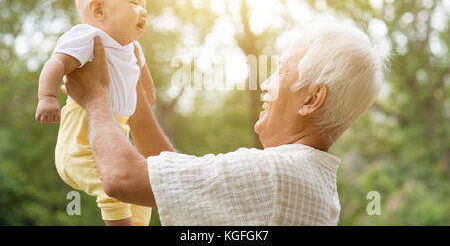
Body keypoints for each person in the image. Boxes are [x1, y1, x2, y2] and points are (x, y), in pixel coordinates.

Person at [62, 23, 388, 225]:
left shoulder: (280, 174)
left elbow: (122, 178)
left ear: (312, 99)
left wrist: (97, 98)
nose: (264, 84)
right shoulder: (306, 177)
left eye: (281, 72)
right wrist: (130, 91)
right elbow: (171, 181)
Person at [35, 0, 156, 226]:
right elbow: (55, 64)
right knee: (115, 188)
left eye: (145, 6)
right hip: (80, 141)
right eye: (134, 3)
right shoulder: (87, 36)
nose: (143, 11)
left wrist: (147, 95)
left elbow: (144, 83)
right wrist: (47, 97)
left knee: (144, 189)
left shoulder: (134, 47)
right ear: (98, 11)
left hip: (116, 133)